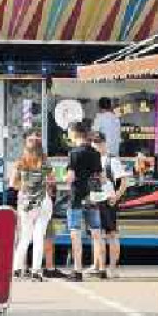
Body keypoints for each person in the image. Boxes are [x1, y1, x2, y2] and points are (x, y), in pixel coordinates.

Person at [10, 134, 55, 281]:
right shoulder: (45, 162)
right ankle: (36, 271)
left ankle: (16, 269)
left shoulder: (20, 162)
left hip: (26, 202)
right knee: (38, 236)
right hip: (42, 201)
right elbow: (52, 180)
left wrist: (24, 188)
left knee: (25, 237)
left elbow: (12, 183)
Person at [65, 120, 104, 281]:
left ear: (74, 134)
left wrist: (65, 178)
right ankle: (101, 269)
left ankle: (78, 270)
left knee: (75, 233)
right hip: (92, 197)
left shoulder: (74, 153)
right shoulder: (95, 153)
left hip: (76, 197)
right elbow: (101, 178)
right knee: (96, 233)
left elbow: (70, 177)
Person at [94, 131, 130, 280]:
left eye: (98, 143)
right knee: (97, 235)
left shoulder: (111, 160)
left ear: (104, 143)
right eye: (94, 143)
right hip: (95, 200)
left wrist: (116, 196)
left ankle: (113, 268)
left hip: (108, 201)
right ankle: (98, 266)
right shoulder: (92, 159)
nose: (96, 146)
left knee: (111, 234)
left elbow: (124, 181)